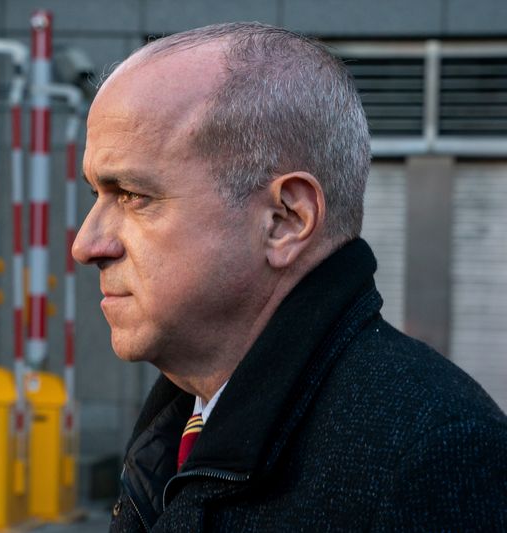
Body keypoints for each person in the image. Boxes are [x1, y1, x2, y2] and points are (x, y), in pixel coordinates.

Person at [72, 22, 507, 532]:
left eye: (132, 195)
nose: (86, 245)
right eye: (94, 196)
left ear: (285, 221)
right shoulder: (183, 417)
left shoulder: (432, 454)